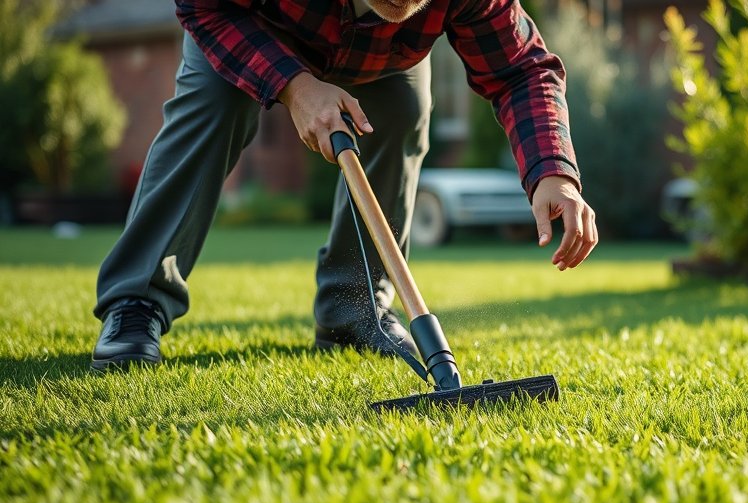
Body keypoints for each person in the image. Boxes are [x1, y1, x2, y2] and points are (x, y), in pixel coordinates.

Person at [90, 0, 598, 371]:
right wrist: (296, 86)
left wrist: (553, 170)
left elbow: (521, 70)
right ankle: (137, 301)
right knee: (214, 107)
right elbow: (204, 7)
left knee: (403, 108)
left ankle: (354, 312)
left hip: (383, 61)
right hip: (251, 25)